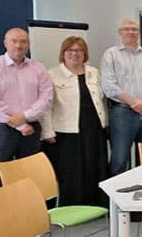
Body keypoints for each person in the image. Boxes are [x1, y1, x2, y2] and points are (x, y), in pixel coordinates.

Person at [0, 28, 53, 189]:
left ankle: (27, 214)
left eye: (23, 41)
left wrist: (25, 116)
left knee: (30, 178)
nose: (18, 45)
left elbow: (46, 98)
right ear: (5, 43)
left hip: (31, 131)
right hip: (0, 131)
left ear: (28, 44)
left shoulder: (38, 68)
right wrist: (20, 124)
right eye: (14, 41)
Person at [40, 36, 108, 206]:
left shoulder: (94, 72)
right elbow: (45, 106)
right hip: (66, 130)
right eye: (70, 50)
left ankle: (96, 204)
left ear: (85, 53)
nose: (75, 53)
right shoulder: (52, 74)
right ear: (63, 54)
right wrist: (47, 131)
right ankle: (73, 206)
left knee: (95, 165)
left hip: (93, 126)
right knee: (72, 169)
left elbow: (102, 100)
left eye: (79, 50)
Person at [101, 19, 142, 175]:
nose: (131, 32)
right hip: (122, 112)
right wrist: (134, 102)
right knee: (120, 159)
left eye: (134, 29)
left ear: (139, 33)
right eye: (126, 29)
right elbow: (109, 86)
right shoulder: (111, 54)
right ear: (120, 33)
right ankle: (117, 198)